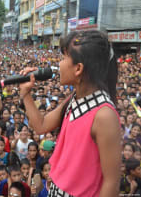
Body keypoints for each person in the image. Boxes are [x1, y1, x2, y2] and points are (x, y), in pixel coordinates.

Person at [19, 30, 121, 196]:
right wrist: (25, 93)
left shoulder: (104, 115)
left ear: (78, 68)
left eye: (65, 58)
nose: (59, 64)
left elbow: (111, 183)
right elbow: (41, 125)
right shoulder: (74, 99)